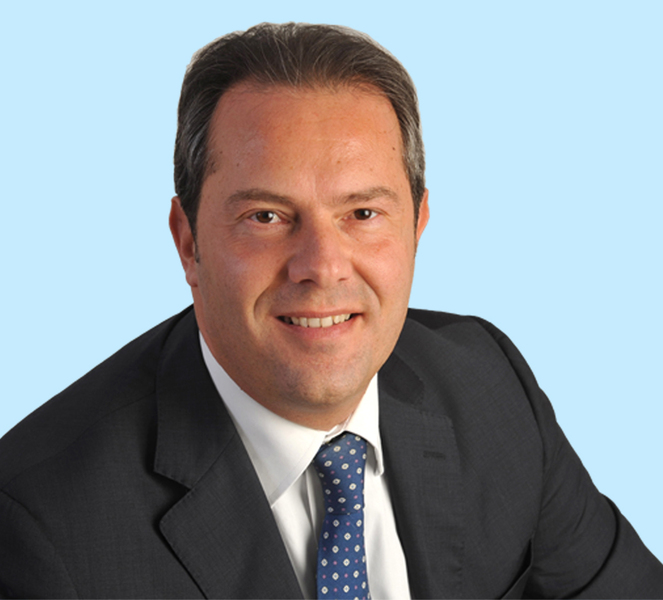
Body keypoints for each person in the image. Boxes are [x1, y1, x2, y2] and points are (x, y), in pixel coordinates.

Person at [0, 22, 661, 600]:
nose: (321, 265)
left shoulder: (489, 387)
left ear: (417, 226)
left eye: (362, 213)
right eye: (266, 216)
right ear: (188, 242)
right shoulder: (40, 523)